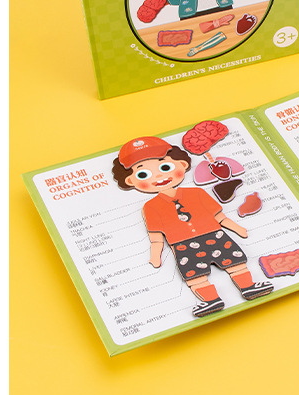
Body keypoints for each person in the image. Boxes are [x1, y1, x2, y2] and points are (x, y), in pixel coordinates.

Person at [111, 136, 273, 317]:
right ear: (130, 181)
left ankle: (248, 287)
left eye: (165, 167)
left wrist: (237, 228)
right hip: (183, 245)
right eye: (143, 174)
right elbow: (156, 236)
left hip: (215, 235)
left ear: (182, 164)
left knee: (235, 263)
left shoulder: (197, 192)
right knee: (195, 275)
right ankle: (211, 301)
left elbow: (219, 217)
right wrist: (155, 256)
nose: (159, 176)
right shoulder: (150, 207)